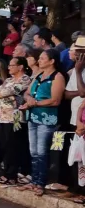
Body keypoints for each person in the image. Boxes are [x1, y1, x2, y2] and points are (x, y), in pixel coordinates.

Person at [19, 49, 65, 196]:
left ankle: (41, 183)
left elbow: (55, 100)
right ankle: (34, 180)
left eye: (43, 58)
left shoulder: (57, 77)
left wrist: (35, 103)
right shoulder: (38, 75)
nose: (40, 60)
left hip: (46, 119)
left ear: (52, 61)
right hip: (33, 117)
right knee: (33, 151)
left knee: (42, 152)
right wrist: (29, 99)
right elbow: (27, 92)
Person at [0, 57, 33, 185]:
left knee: (13, 146)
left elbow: (10, 90)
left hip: (15, 117)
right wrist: (3, 93)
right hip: (2, 117)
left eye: (12, 65)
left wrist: (3, 93)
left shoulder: (26, 79)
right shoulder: (9, 80)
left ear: (20, 67)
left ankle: (12, 174)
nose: (9, 67)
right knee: (4, 145)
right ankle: (5, 172)